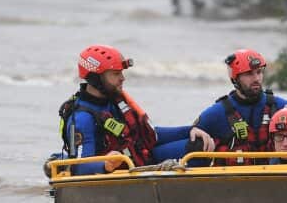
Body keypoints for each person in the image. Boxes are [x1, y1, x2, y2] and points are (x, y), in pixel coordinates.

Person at [56, 45, 213, 175]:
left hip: (140, 158)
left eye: (122, 73)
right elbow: (80, 167)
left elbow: (149, 135)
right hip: (117, 175)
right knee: (198, 147)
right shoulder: (82, 118)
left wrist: (193, 129)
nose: (122, 78)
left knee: (200, 143)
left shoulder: (114, 101)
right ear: (95, 78)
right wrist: (106, 165)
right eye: (116, 74)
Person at [189, 49, 287, 165]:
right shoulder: (217, 113)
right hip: (235, 184)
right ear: (235, 79)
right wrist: (194, 130)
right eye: (249, 74)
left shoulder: (280, 106)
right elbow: (188, 136)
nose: (256, 79)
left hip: (277, 179)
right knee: (195, 145)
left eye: (259, 72)